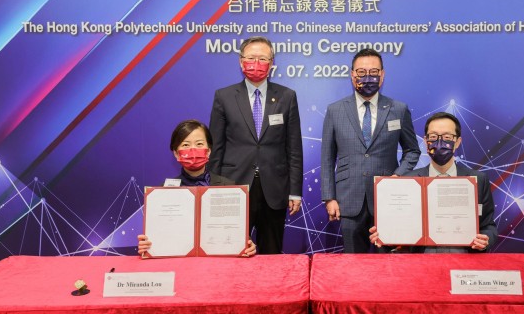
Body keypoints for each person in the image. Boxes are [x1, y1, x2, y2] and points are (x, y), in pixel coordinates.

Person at [208, 36, 303, 254]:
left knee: (271, 255)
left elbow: (294, 148)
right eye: (251, 58)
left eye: (263, 58)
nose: (256, 63)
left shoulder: (287, 96)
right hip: (233, 187)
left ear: (272, 63)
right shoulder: (224, 96)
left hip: (275, 189)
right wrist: (215, 188)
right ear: (241, 62)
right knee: (231, 252)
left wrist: (295, 192)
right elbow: (216, 147)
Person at [321, 49, 421, 253]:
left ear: (383, 75)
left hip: (388, 201)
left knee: (386, 267)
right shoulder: (335, 110)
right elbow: (327, 158)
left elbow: (412, 151)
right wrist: (329, 197)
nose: (367, 77)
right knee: (352, 266)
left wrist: (398, 176)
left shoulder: (398, 109)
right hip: (348, 199)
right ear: (352, 75)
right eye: (361, 72)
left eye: (374, 71)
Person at [369, 111, 497, 253]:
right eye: (434, 137)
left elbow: (488, 226)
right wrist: (385, 236)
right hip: (420, 261)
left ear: (458, 142)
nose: (440, 142)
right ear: (425, 141)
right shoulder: (409, 181)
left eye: (447, 137)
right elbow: (398, 230)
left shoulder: (478, 180)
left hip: (464, 259)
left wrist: (485, 239)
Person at [137, 120, 256, 257]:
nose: (193, 150)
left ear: (209, 151)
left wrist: (247, 245)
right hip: (179, 264)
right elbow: (158, 234)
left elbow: (238, 235)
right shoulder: (162, 192)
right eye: (186, 145)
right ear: (176, 153)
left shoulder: (228, 188)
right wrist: (148, 245)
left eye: (199, 144)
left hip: (218, 263)